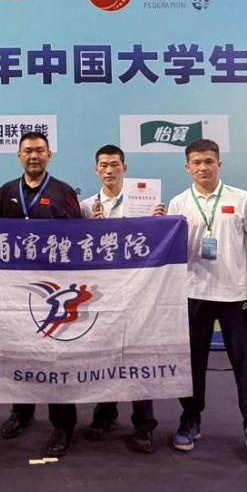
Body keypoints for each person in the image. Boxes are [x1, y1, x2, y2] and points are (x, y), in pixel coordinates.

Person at [166, 139, 247, 466]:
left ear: (219, 164)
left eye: (209, 161)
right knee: (192, 365)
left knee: (246, 366)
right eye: (196, 162)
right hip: (192, 293)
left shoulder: (242, 199)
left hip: (235, 295)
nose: (203, 167)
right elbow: (170, 250)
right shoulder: (178, 202)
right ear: (187, 167)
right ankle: (190, 420)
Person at [0, 131, 83, 457]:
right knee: (20, 350)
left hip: (55, 289)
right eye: (28, 150)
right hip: (17, 286)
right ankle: (22, 410)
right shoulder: (7, 191)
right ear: (19, 155)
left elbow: (79, 237)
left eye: (40, 151)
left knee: (56, 355)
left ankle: (63, 423)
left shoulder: (63, 191)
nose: (34, 156)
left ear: (49, 155)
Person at [77, 144, 163, 453]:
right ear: (96, 169)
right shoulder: (86, 207)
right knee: (105, 354)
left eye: (114, 164)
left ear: (124, 167)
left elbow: (156, 244)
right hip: (102, 294)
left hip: (138, 292)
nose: (109, 170)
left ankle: (144, 424)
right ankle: (105, 415)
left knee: (138, 355)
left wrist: (159, 223)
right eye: (103, 165)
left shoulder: (146, 202)